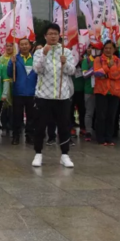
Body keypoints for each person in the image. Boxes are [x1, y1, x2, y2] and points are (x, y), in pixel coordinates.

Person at [31, 23, 76, 168]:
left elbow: (72, 71)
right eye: (50, 34)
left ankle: (65, 155)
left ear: (59, 35)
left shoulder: (66, 51)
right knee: (40, 126)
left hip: (62, 96)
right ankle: (38, 153)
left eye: (55, 34)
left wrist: (65, 63)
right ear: (45, 36)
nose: (53, 36)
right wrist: (44, 55)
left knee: (64, 126)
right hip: (43, 96)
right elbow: (37, 69)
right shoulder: (39, 52)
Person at [93, 41, 120, 146]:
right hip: (101, 91)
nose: (108, 50)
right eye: (106, 48)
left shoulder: (118, 61)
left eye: (110, 48)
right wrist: (108, 67)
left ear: (114, 49)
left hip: (114, 91)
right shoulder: (98, 60)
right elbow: (97, 73)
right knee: (101, 116)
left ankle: (109, 137)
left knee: (111, 116)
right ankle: (100, 138)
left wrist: (106, 75)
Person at [8, 38, 37, 145]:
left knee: (31, 116)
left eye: (26, 44)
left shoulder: (35, 59)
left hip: (32, 92)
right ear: (19, 46)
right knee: (17, 116)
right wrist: (11, 64)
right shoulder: (15, 58)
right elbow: (9, 74)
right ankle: (16, 136)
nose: (24, 46)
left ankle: (30, 136)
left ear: (30, 46)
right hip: (18, 92)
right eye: (22, 44)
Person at [81, 47, 96, 142]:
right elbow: (85, 75)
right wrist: (95, 68)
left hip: (102, 90)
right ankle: (88, 131)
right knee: (89, 113)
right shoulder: (86, 61)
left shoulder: (103, 59)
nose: (92, 50)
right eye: (90, 48)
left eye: (95, 48)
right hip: (89, 90)